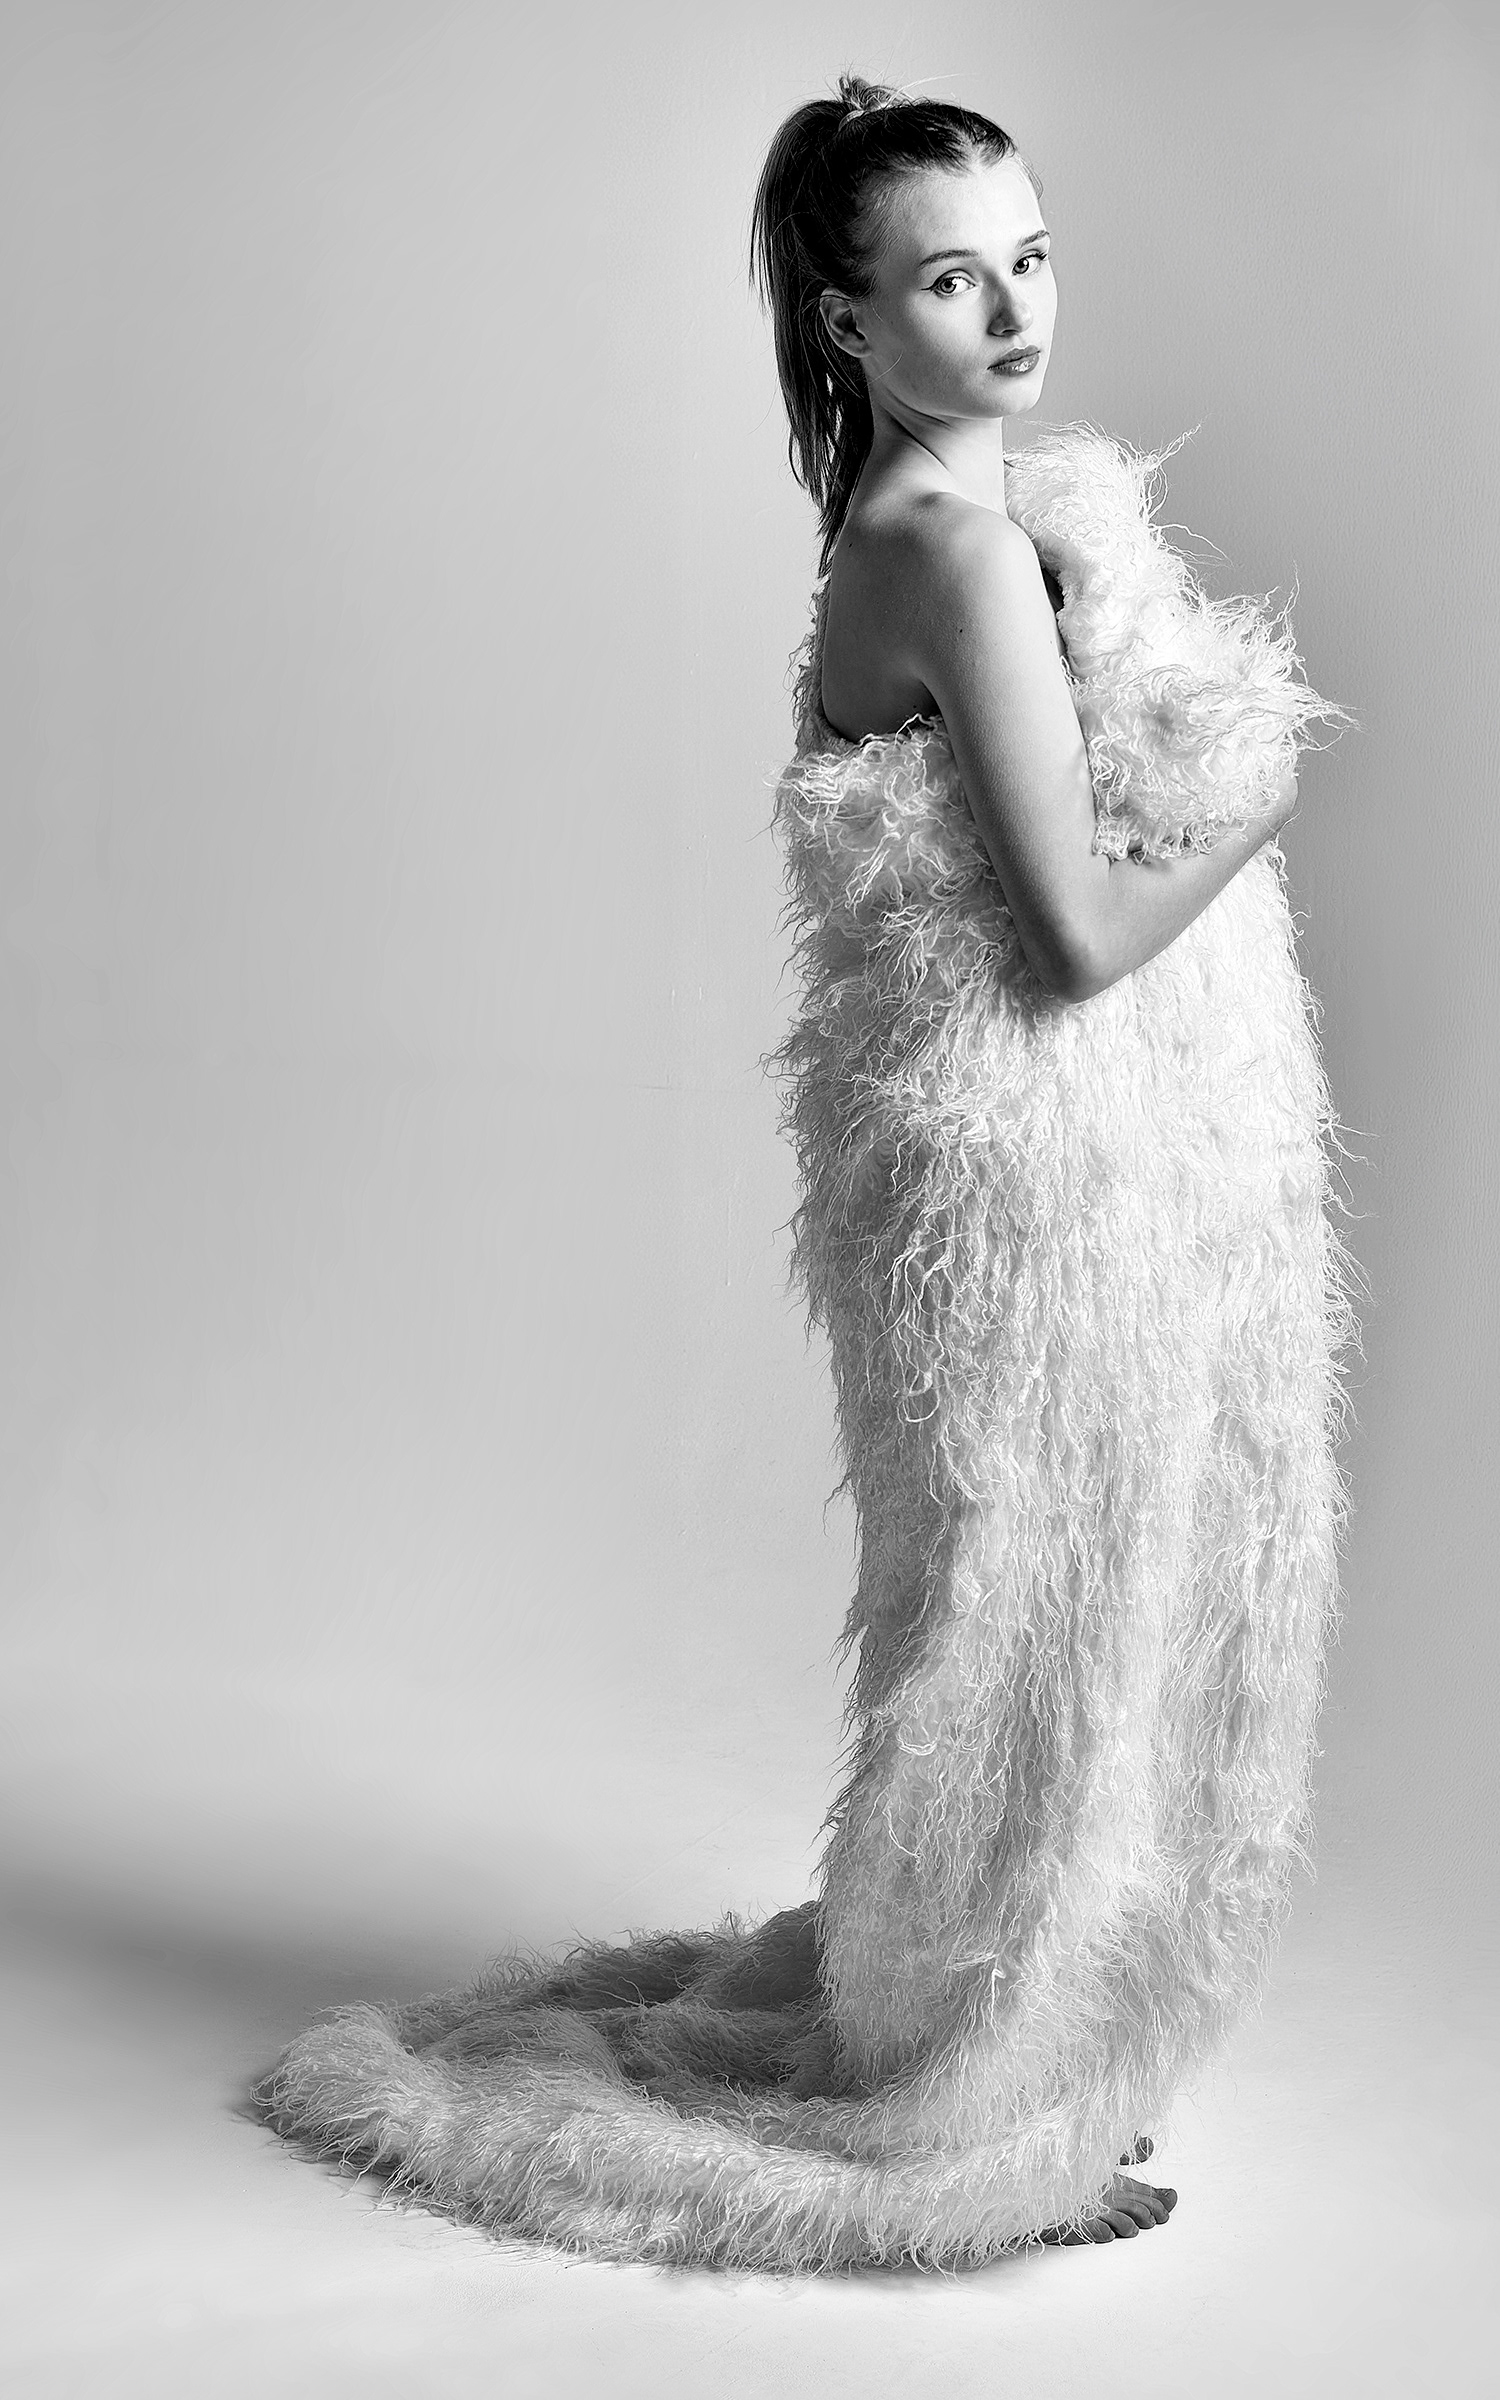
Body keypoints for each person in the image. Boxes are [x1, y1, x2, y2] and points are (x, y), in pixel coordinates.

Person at [258, 76, 1352, 2269]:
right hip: (1022, 1181)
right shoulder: (955, 554)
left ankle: (1009, 2054)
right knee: (1028, 1618)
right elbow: (1076, 930)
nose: (1014, 308)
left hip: (1007, 1159)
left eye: (1030, 257)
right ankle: (971, 2090)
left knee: (1029, 1609)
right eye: (952, 278)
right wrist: (1256, 794)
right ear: (851, 322)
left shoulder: (943, 521)